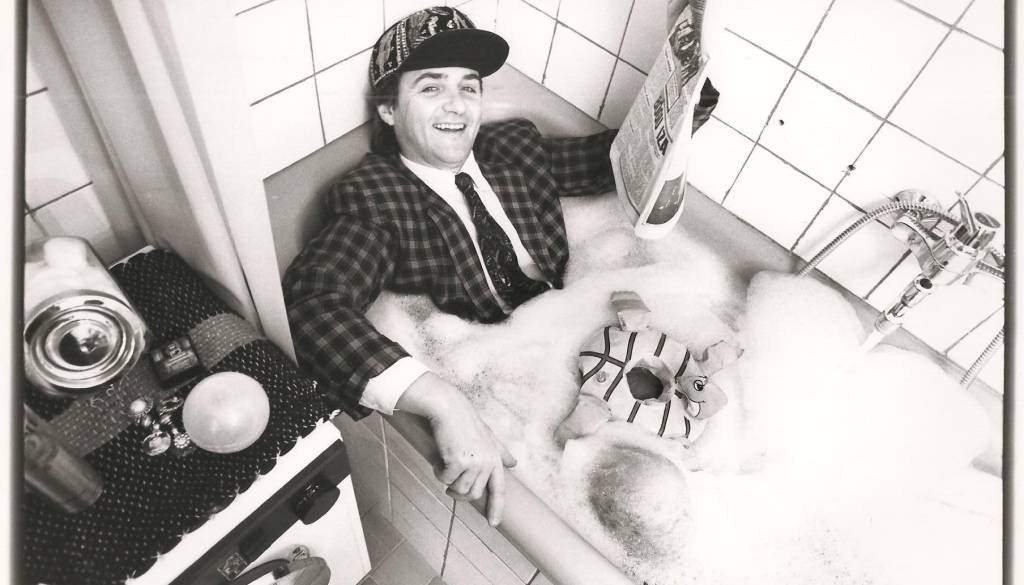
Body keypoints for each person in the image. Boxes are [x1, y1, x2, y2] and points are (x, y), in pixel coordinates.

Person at [283, 5, 717, 527]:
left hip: (587, 324)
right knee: (651, 496)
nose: (456, 104)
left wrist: (687, 88)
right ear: (389, 110)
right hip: (506, 371)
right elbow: (311, 305)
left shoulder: (515, 147)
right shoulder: (375, 199)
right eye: (431, 87)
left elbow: (615, 160)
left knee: (704, 408)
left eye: (468, 87)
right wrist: (444, 402)